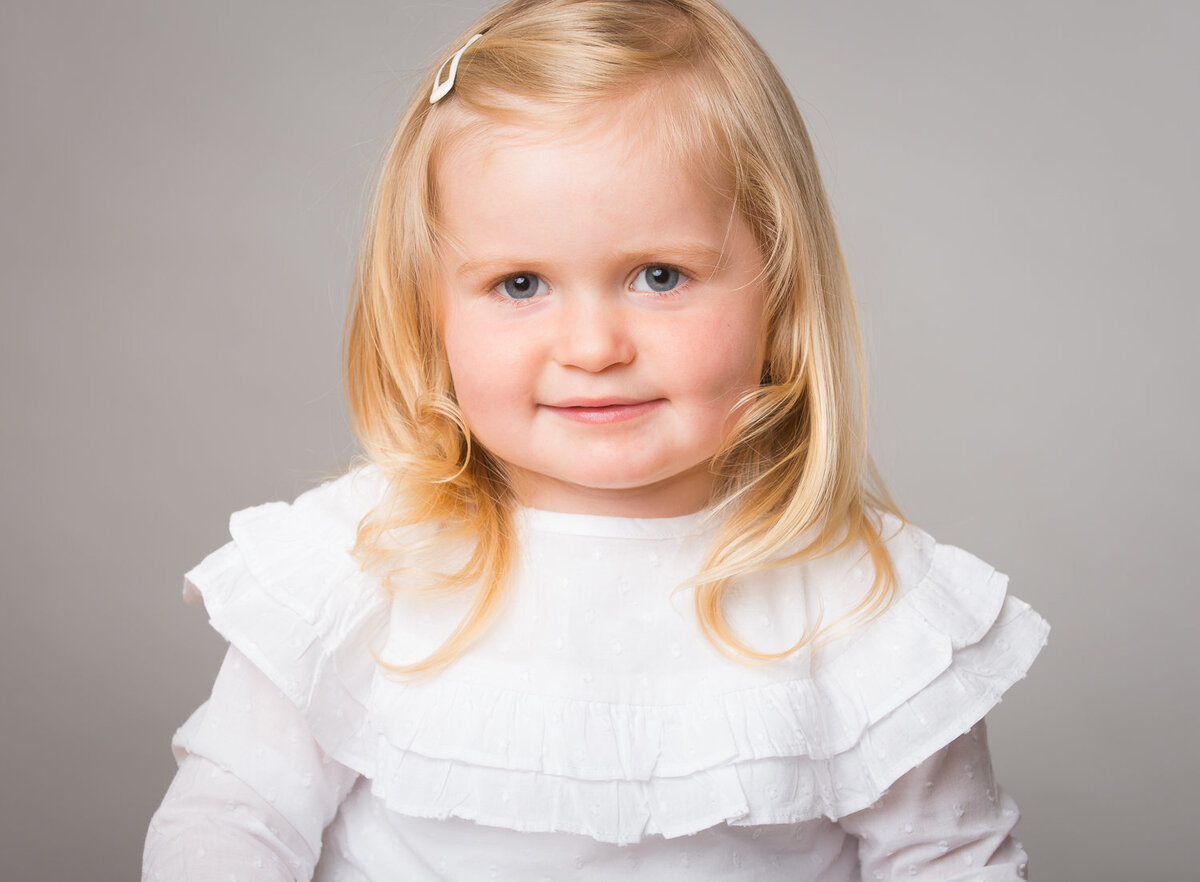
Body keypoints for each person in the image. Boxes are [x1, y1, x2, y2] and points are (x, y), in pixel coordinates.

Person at [143, 1, 1049, 879]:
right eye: (520, 284)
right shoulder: (370, 562)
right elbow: (232, 819)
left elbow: (945, 859)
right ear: (431, 314)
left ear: (779, 293)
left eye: (659, 276)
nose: (592, 349)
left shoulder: (857, 601)